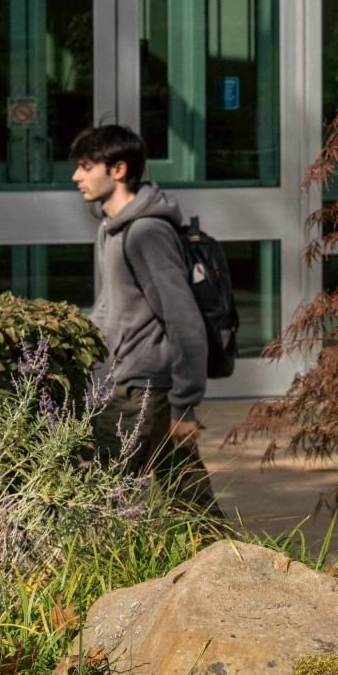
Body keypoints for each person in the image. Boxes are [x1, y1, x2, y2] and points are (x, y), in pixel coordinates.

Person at [69, 124, 221, 515]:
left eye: (86, 167)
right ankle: (236, 569)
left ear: (118, 170)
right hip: (128, 382)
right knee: (190, 500)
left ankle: (237, 569)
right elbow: (111, 306)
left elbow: (183, 320)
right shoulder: (112, 229)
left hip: (142, 390)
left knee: (98, 500)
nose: (76, 177)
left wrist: (184, 405)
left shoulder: (145, 233)